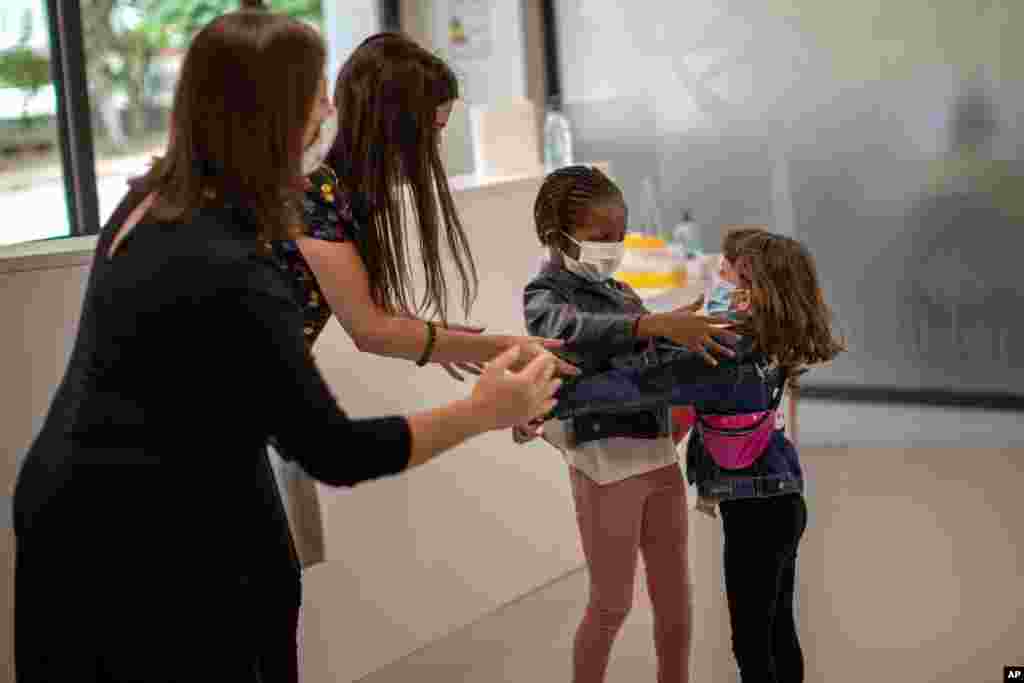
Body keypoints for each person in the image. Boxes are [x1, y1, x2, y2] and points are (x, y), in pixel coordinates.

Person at [11, 10, 560, 682]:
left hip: (166, 469)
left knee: (273, 588)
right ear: (268, 112)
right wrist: (484, 409)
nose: (331, 107)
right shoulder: (230, 259)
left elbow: (354, 333)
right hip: (114, 523)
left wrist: (477, 358)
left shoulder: (165, 200)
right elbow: (335, 446)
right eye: (315, 95)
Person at [537, 228, 847, 683]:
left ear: (749, 295)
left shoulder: (720, 355)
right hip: (784, 501)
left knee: (751, 643)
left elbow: (635, 385)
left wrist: (544, 397)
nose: (714, 286)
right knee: (779, 628)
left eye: (724, 276)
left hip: (756, 515)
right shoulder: (766, 338)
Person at [518, 165, 741, 683]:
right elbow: (573, 331)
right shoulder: (544, 297)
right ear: (557, 235)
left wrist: (698, 315)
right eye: (602, 238)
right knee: (612, 604)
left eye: (620, 236)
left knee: (676, 603)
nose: (614, 247)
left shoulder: (621, 293)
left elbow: (650, 350)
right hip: (605, 469)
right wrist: (654, 325)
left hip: (658, 458)